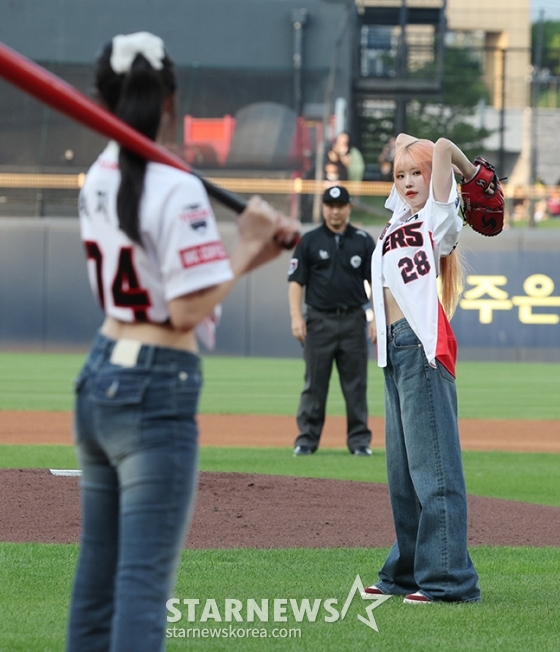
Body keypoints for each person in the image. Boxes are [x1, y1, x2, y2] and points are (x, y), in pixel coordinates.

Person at [66, 32, 299, 652]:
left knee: (96, 585)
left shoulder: (99, 175)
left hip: (101, 375)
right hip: (154, 386)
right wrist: (249, 241)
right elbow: (187, 309)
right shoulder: (174, 184)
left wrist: (251, 255)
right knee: (142, 586)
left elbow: (179, 288)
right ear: (172, 98)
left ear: (100, 98)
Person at [363, 134, 481, 604]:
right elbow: (402, 141)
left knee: (434, 472)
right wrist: (407, 150)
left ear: (435, 177)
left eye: (418, 172)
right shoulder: (398, 218)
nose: (409, 181)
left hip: (422, 345)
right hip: (394, 349)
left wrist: (469, 175)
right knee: (402, 475)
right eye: (400, 174)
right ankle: (406, 573)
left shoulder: (438, 214)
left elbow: (443, 144)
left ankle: (449, 580)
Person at [288, 185, 375, 456]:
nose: (335, 211)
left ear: (349, 207)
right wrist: (295, 317)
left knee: (356, 384)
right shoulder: (309, 241)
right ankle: (307, 439)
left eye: (340, 206)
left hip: (353, 320)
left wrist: (376, 319)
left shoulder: (363, 240)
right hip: (319, 320)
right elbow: (296, 282)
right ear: (324, 207)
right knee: (314, 383)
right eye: (330, 205)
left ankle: (359, 442)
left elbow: (377, 282)